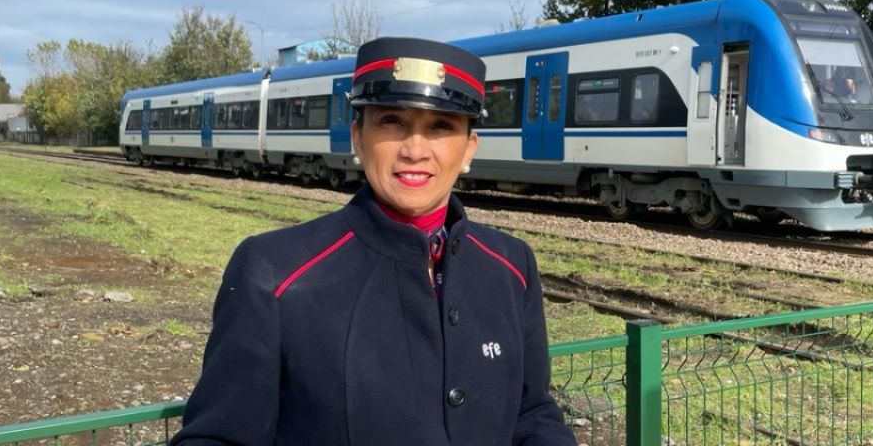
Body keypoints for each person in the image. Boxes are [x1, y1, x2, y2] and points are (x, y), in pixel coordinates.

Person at [172, 37, 575, 446]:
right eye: (391, 122)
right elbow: (217, 437)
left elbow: (532, 413)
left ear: (469, 148)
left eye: (440, 126)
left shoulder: (511, 266)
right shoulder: (274, 273)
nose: (415, 150)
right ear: (357, 137)